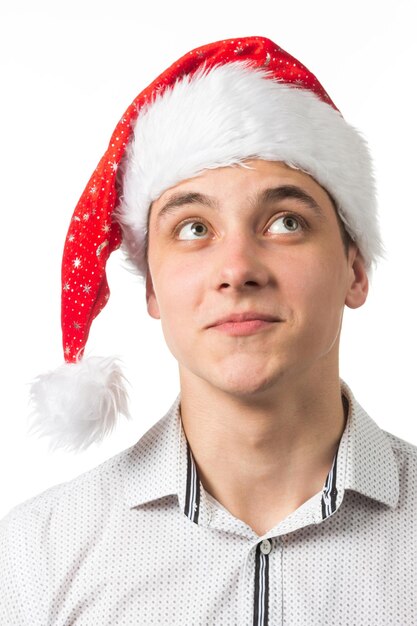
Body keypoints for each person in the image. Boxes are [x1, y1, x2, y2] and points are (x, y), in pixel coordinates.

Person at [1, 35, 416, 625]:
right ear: (150, 287)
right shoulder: (36, 555)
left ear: (355, 270)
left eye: (286, 221)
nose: (238, 269)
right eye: (194, 228)